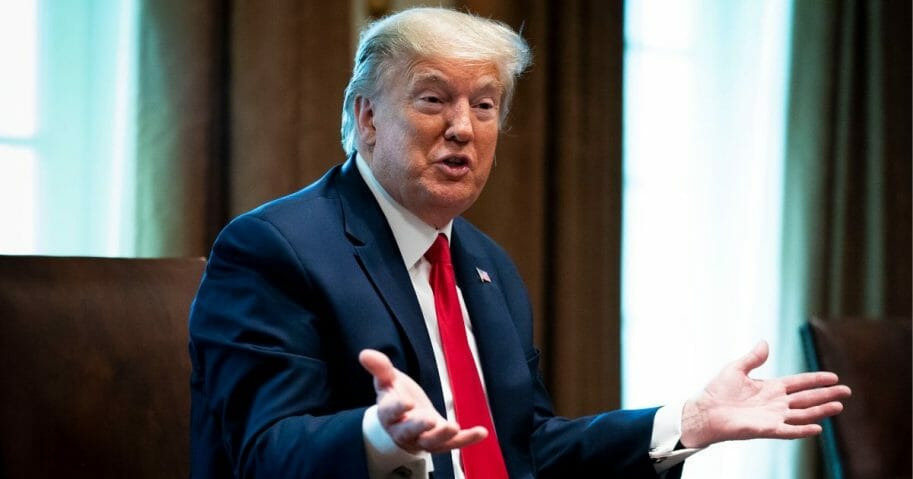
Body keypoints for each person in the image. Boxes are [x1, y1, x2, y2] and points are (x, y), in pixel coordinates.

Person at [188, 7, 851, 479]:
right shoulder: (274, 248)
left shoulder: (485, 265)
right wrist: (375, 434)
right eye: (432, 100)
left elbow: (524, 447)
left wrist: (685, 420)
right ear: (365, 117)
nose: (462, 128)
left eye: (483, 105)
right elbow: (262, 452)